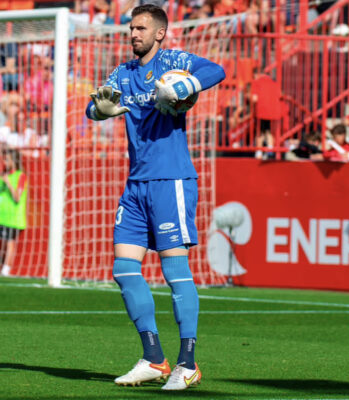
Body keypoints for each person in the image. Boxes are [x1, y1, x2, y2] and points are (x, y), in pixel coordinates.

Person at [85, 4, 225, 391]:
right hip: (136, 185)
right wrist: (102, 109)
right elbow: (92, 106)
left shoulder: (174, 60)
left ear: (160, 33)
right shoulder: (123, 72)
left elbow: (216, 71)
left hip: (171, 180)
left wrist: (186, 86)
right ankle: (153, 357)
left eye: (141, 28)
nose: (134, 34)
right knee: (123, 270)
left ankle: (188, 362)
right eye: (131, 28)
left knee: (174, 271)